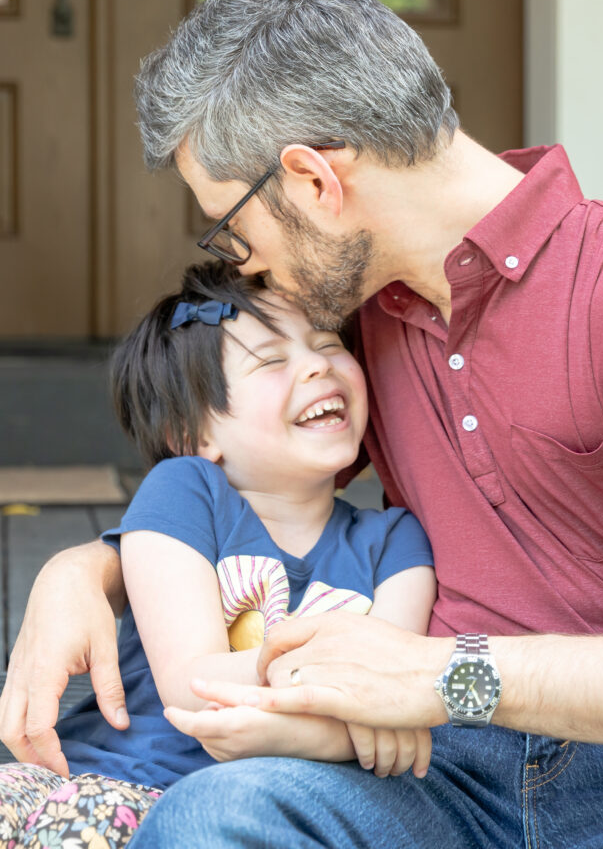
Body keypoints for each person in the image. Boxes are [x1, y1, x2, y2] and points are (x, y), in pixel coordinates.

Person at [2, 0, 603, 848]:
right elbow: (244, 469)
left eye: (232, 229)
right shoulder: (358, 320)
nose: (242, 266)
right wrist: (81, 573)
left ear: (315, 181)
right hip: (434, 774)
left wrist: (445, 675)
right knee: (217, 817)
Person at [0, 260, 435, 848]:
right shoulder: (185, 492)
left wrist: (367, 707)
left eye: (329, 344)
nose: (317, 365)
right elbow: (194, 684)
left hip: (243, 810)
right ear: (194, 434)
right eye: (273, 360)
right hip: (101, 773)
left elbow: (393, 690)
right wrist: (343, 701)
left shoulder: (396, 540)